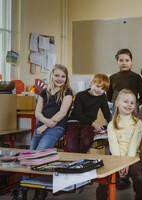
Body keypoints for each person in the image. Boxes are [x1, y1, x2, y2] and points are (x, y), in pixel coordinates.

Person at [12, 64, 73, 200]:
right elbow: (37, 112)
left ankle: (40, 190)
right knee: (29, 157)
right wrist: (45, 123)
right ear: (51, 75)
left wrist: (45, 126)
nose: (59, 78)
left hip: (56, 127)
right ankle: (23, 189)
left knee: (39, 154)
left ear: (66, 78)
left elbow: (62, 113)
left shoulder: (67, 92)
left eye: (63, 76)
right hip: (41, 126)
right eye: (57, 75)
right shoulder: (44, 92)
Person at [106, 89, 142, 200]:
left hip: (132, 158)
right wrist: (120, 163)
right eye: (126, 102)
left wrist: (126, 163)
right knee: (104, 180)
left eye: (132, 103)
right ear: (117, 103)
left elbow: (134, 145)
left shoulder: (137, 122)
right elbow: (113, 146)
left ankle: (140, 196)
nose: (129, 105)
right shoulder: (111, 124)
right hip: (116, 158)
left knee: (140, 177)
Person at [66, 73, 111, 153]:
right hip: (74, 122)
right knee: (71, 145)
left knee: (86, 140)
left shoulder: (102, 97)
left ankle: (79, 159)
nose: (99, 90)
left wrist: (113, 124)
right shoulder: (80, 95)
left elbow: (107, 113)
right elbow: (78, 114)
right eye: (97, 86)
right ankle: (74, 160)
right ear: (91, 83)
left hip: (88, 124)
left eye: (103, 89)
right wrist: (93, 124)